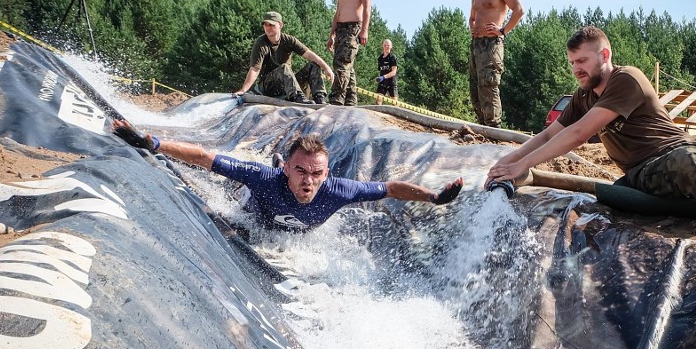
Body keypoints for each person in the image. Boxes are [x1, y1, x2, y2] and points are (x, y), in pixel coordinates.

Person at [486, 26, 696, 226]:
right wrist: (507, 162)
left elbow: (578, 134)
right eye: (572, 62)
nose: (576, 69)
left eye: (582, 60)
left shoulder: (625, 79)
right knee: (689, 163)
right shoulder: (582, 96)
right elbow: (553, 133)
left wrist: (521, 165)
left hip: (685, 145)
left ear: (604, 55)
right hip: (647, 168)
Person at [113, 120, 464, 232]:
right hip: (253, 209)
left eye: (316, 174)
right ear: (286, 171)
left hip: (294, 230)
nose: (308, 181)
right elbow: (206, 157)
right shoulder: (266, 178)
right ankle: (273, 162)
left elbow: (389, 188)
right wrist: (153, 143)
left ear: (327, 174)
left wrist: (433, 197)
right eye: (300, 171)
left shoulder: (340, 190)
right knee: (236, 182)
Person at [469, 0, 525, 128]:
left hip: (492, 45)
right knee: (475, 89)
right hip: (476, 46)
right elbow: (471, 17)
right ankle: (482, 129)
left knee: (488, 85)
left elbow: (519, 9)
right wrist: (472, 26)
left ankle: (494, 130)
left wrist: (502, 30)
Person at [234, 11, 333, 104]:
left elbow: (309, 54)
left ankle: (319, 98)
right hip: (268, 87)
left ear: (280, 25)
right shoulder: (261, 43)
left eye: (272, 25)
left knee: (313, 65)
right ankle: (298, 97)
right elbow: (255, 69)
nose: (268, 28)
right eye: (266, 25)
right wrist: (243, 90)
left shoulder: (288, 40)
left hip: (288, 85)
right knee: (284, 67)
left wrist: (327, 68)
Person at [327, 0, 371, 106]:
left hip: (354, 27)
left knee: (342, 62)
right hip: (340, 28)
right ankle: (351, 100)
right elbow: (337, 12)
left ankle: (336, 99)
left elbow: (367, 7)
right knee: (347, 65)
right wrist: (332, 34)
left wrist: (364, 29)